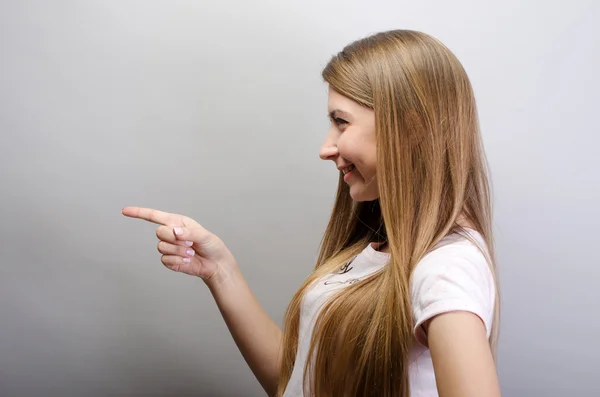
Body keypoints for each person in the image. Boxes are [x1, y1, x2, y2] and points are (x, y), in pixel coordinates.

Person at [122, 29, 501, 397]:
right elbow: (297, 383)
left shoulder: (446, 266)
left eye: (341, 122)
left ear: (411, 128)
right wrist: (220, 271)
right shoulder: (382, 247)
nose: (326, 147)